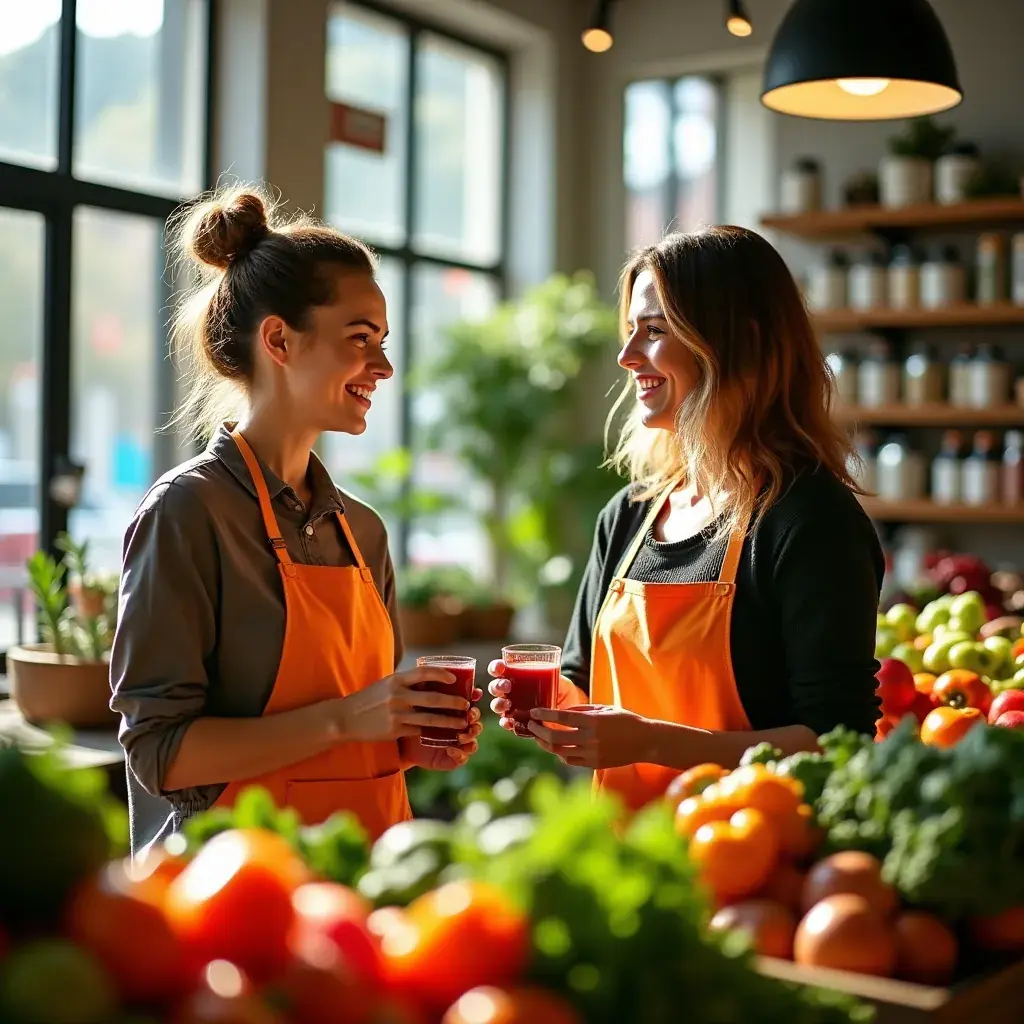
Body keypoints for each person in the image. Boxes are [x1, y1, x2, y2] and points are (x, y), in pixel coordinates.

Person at [111, 186, 481, 856]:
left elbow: (362, 724)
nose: (383, 367)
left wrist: (413, 739)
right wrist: (345, 721)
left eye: (383, 342)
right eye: (360, 339)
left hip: (366, 877)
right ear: (279, 339)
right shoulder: (188, 511)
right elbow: (159, 753)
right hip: (236, 884)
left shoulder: (363, 531)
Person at [489, 226, 883, 811]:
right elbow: (586, 686)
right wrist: (551, 706)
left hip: (752, 849)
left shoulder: (812, 522)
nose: (627, 356)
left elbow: (836, 743)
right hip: (630, 848)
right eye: (630, 331)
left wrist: (651, 742)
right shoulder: (627, 516)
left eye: (655, 331)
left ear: (740, 343)